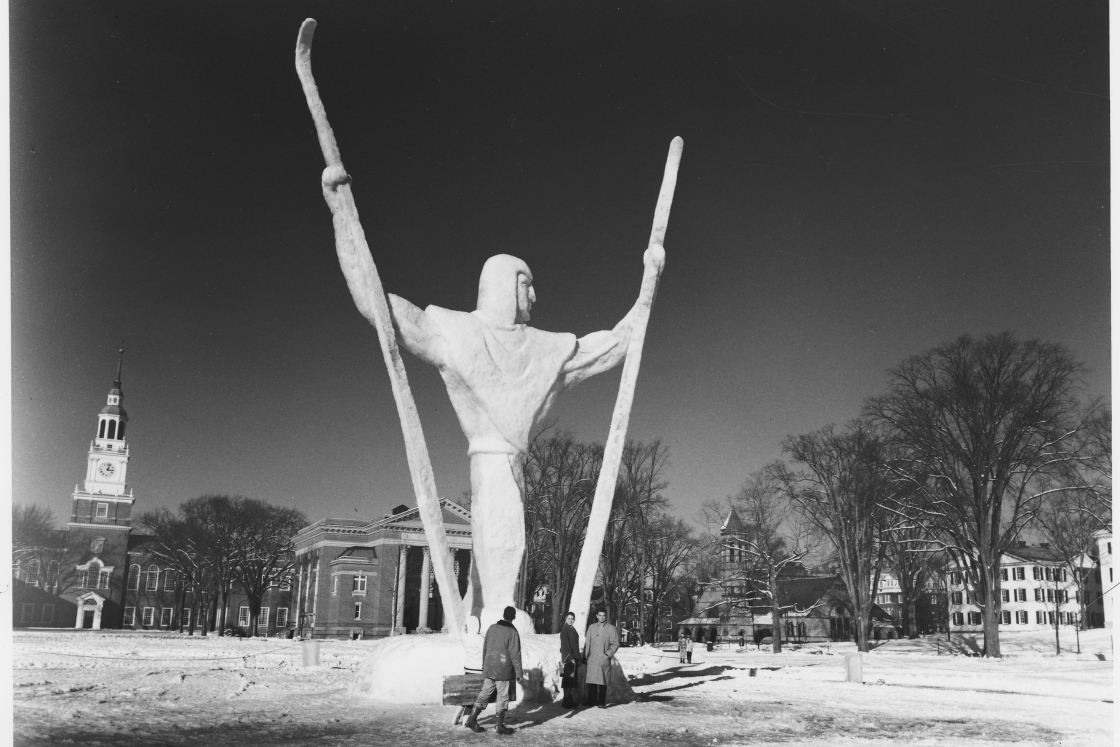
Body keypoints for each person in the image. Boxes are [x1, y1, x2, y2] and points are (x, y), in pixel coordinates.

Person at [387, 251, 661, 631]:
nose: (533, 297)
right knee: (499, 527)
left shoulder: (543, 348)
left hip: (511, 465)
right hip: (490, 460)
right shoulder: (457, 331)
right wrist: (343, 216)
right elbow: (391, 313)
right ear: (503, 285)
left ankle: (482, 612)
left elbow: (611, 346)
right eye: (526, 285)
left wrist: (649, 284)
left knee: (500, 532)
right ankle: (496, 613)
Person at [466, 606, 523, 735]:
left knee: (485, 692)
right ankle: (499, 725)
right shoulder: (512, 632)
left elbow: (485, 647)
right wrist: (519, 673)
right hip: (503, 669)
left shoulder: (492, 628)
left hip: (490, 668)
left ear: (503, 615)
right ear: (513, 617)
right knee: (502, 695)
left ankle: (472, 719)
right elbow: (515, 654)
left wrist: (484, 666)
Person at [582, 609, 620, 708]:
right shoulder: (591, 627)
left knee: (602, 681)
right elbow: (588, 643)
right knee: (591, 681)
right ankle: (591, 701)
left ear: (606, 616)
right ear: (597, 616)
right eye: (600, 615)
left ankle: (601, 702)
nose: (602, 617)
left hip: (603, 658)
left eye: (603, 615)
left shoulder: (611, 628)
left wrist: (607, 655)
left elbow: (615, 644)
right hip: (592, 658)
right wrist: (585, 656)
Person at [559, 611, 581, 708]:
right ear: (565, 619)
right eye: (569, 618)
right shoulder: (565, 630)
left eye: (572, 619)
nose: (571, 620)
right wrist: (571, 658)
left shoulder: (572, 629)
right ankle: (566, 701)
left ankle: (570, 699)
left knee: (571, 681)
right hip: (568, 659)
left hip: (573, 658)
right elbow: (565, 646)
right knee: (567, 681)